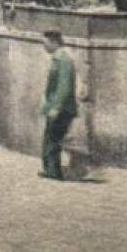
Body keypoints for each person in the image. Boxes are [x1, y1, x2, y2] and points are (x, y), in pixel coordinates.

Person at [39, 30, 78, 180]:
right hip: (56, 106)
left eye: (46, 43)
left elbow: (64, 87)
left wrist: (56, 108)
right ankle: (50, 169)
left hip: (62, 108)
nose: (44, 46)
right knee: (50, 138)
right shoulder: (59, 58)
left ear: (54, 42)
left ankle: (54, 171)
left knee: (53, 139)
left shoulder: (63, 59)